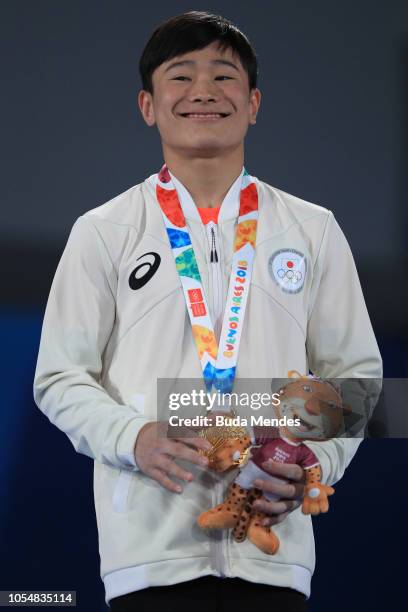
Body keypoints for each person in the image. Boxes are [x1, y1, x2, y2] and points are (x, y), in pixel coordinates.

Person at [33, 10, 382, 612]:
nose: (202, 91)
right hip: (148, 554)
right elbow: (59, 376)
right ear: (147, 105)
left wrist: (311, 464)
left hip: (274, 553)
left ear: (254, 104)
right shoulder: (104, 231)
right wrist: (133, 436)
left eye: (224, 77)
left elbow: (356, 376)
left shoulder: (312, 230)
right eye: (180, 75)